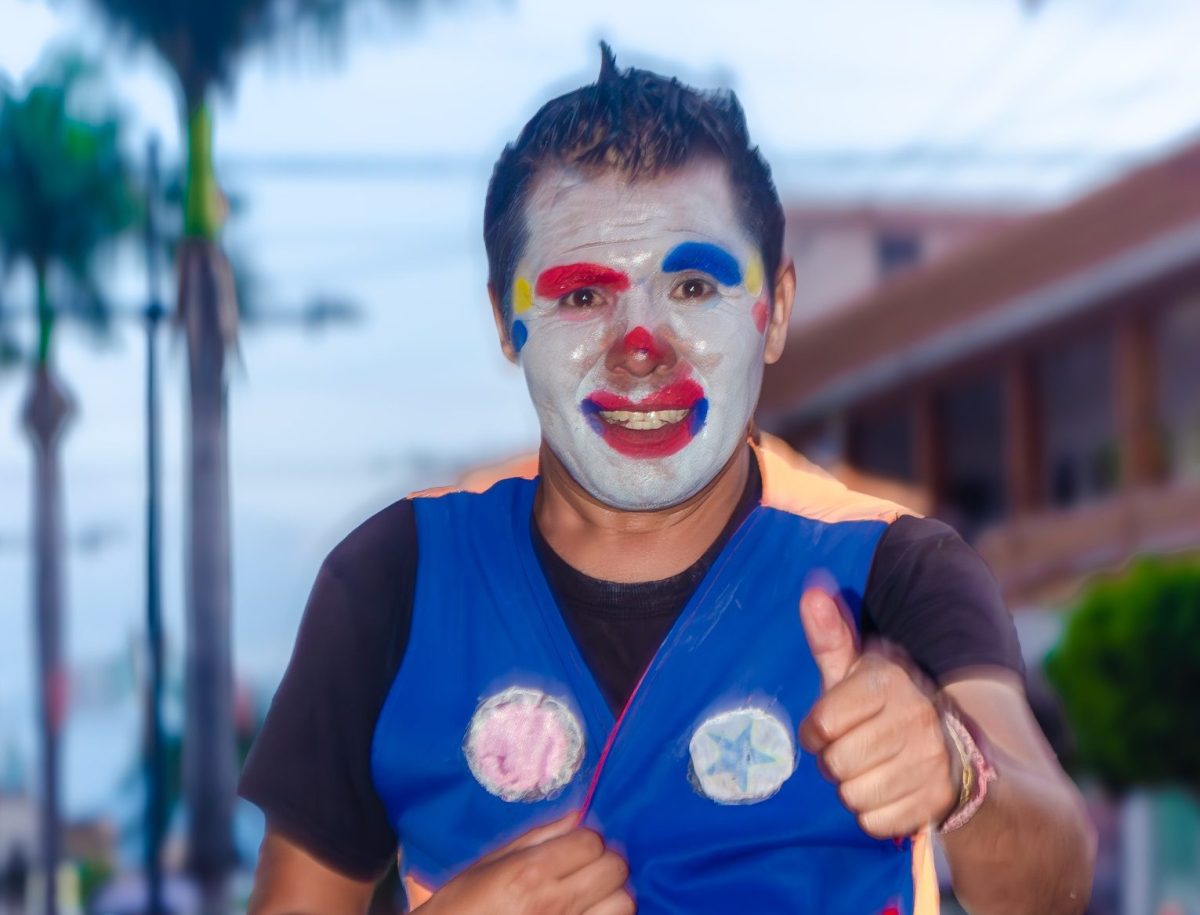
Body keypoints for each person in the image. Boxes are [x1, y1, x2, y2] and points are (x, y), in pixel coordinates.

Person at [241, 46, 1095, 914]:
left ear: (778, 313)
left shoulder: (896, 571)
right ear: (507, 319)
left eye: (693, 285)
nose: (641, 346)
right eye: (581, 296)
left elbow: (1055, 881)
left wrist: (959, 773)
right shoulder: (394, 579)